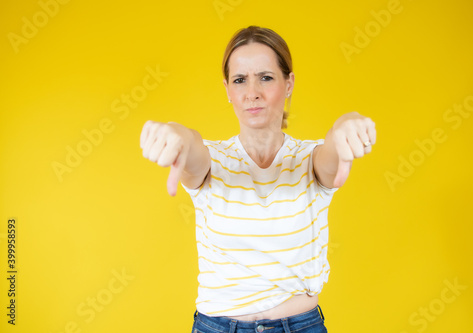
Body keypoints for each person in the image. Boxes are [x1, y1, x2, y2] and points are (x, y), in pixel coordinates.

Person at [140, 26, 376, 333]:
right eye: (240, 80)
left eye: (265, 77)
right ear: (227, 89)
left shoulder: (309, 159)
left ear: (288, 83)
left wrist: (348, 124)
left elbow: (332, 148)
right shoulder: (214, 160)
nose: (252, 92)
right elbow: (192, 146)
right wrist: (176, 135)